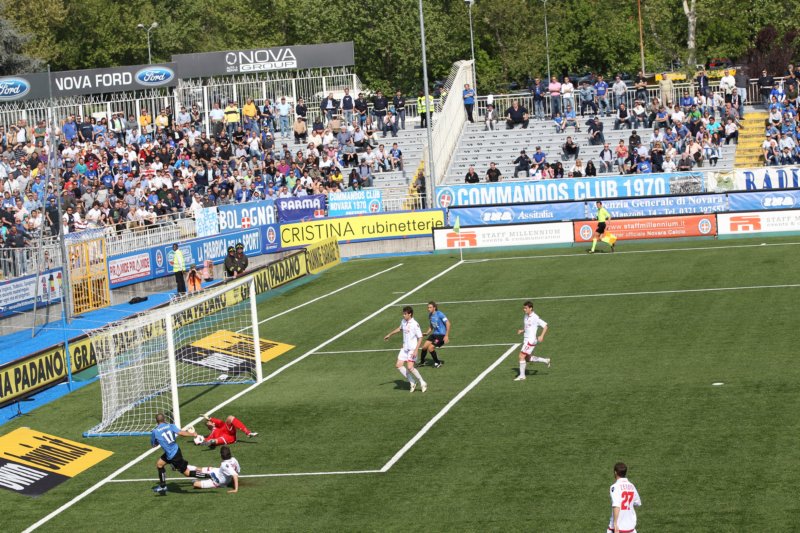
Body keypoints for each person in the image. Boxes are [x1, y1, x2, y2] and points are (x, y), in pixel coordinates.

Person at [151, 413, 199, 495]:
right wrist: (192, 434)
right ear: (164, 419)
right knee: (159, 464)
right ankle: (163, 486)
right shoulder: (171, 426)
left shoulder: (155, 431)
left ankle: (210, 476)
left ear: (156, 421)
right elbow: (181, 433)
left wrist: (158, 441)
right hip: (174, 451)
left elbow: (154, 445)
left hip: (173, 455)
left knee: (187, 473)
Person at [383, 306, 428, 393]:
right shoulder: (403, 321)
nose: (403, 315)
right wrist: (389, 334)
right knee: (398, 365)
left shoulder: (415, 324)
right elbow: (400, 328)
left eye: (405, 314)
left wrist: (416, 350)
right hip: (404, 348)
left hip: (412, 349)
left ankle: (422, 382)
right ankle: (412, 382)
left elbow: (420, 337)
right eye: (403, 314)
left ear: (410, 314)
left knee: (410, 367)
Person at [515, 300, 550, 381]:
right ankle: (546, 360)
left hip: (530, 340)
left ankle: (522, 376)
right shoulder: (526, 316)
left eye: (526, 308)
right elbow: (528, 326)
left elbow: (545, 326)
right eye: (524, 308)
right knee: (527, 358)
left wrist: (541, 336)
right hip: (526, 339)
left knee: (521, 356)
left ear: (530, 308)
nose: (524, 309)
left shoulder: (535, 317)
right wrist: (522, 330)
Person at [608, 462, 641, 533]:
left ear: (615, 472)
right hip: (630, 528)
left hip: (618, 529)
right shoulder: (632, 486)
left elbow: (616, 505)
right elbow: (638, 503)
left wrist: (615, 524)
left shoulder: (614, 487)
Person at [418, 301, 450, 368]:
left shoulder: (440, 314)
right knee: (424, 347)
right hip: (434, 334)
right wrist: (427, 333)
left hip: (441, 335)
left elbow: (448, 323)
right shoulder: (430, 315)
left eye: (430, 307)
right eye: (428, 307)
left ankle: (438, 363)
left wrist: (446, 335)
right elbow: (431, 326)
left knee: (430, 348)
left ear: (434, 308)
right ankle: (422, 362)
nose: (428, 309)